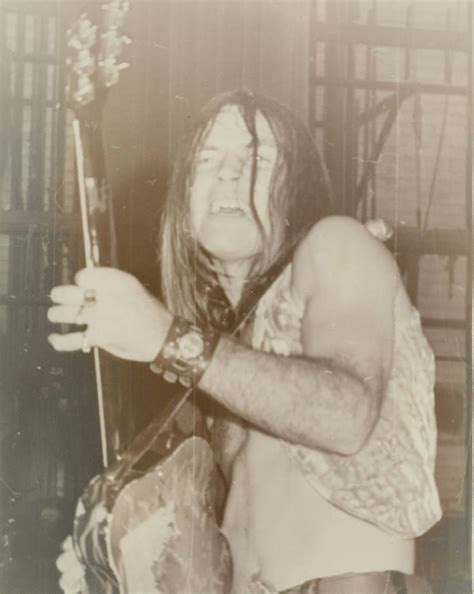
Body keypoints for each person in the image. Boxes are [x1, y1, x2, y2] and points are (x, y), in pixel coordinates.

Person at [50, 90, 441, 594]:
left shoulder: (336, 244)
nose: (228, 174)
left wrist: (167, 338)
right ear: (185, 202)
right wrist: (109, 554)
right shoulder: (227, 367)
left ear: (293, 187)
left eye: (256, 157)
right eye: (207, 160)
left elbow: (347, 417)